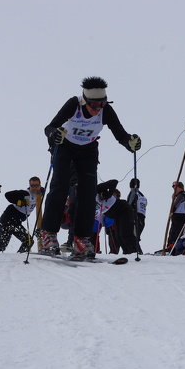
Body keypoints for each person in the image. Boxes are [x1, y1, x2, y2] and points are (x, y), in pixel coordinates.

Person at [39, 76, 141, 258]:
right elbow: (50, 127)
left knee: (88, 193)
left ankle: (81, 238)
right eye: (93, 104)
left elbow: (120, 134)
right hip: (64, 147)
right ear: (85, 101)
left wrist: (130, 142)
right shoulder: (73, 104)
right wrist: (54, 134)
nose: (97, 109)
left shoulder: (105, 110)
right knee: (60, 187)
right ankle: (48, 233)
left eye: (101, 104)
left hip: (87, 150)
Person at [0, 177, 42, 253]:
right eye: (32, 186)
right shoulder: (25, 194)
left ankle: (19, 257)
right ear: (29, 186)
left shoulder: (40, 193)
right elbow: (7, 195)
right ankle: (19, 257)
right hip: (9, 219)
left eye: (36, 185)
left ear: (40, 185)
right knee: (28, 241)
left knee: (3, 244)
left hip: (16, 221)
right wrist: (19, 202)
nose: (34, 188)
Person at [95, 179, 138, 255]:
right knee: (118, 237)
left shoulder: (96, 189)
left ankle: (135, 252)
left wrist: (108, 194)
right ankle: (127, 253)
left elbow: (114, 182)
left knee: (125, 234)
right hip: (115, 215)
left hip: (123, 210)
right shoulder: (85, 199)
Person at [166, 181, 185, 249]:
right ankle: (174, 246)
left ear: (180, 188)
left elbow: (174, 206)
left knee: (174, 233)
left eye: (175, 187)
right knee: (178, 233)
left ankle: (171, 246)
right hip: (182, 217)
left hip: (179, 217)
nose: (174, 189)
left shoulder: (181, 195)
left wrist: (173, 203)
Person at [126, 178, 147, 252]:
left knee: (132, 237)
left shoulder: (133, 193)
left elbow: (129, 205)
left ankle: (137, 252)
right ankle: (138, 251)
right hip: (142, 218)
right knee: (136, 237)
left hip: (135, 217)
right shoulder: (142, 196)